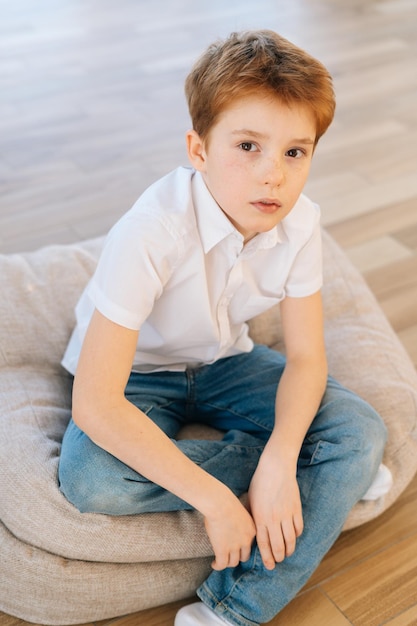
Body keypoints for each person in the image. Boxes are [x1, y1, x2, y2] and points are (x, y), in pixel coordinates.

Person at [58, 29, 387, 626]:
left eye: (296, 152)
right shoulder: (151, 230)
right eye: (247, 146)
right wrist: (214, 497)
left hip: (226, 361)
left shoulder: (301, 223)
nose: (274, 177)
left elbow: (308, 358)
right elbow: (97, 404)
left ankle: (233, 609)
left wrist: (281, 459)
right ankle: (329, 474)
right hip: (136, 376)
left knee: (361, 432)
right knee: (92, 480)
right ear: (198, 148)